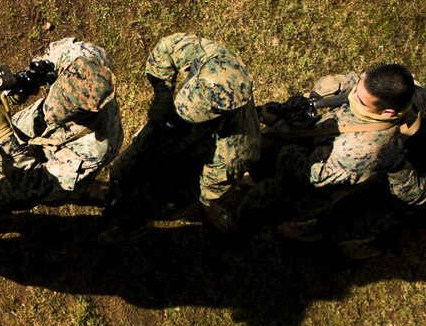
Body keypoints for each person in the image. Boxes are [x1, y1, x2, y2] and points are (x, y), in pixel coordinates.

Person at [0, 37, 123, 240]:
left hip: (66, 166)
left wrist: (3, 133)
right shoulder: (85, 56)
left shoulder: (94, 149)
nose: (51, 113)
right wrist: (23, 81)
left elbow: (34, 186)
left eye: (60, 113)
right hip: (50, 125)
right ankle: (91, 189)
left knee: (3, 194)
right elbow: (50, 58)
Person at [99, 33, 261, 242]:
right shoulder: (215, 60)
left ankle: (133, 225)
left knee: (152, 199)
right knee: (123, 168)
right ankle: (117, 194)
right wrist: (163, 97)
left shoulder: (236, 151)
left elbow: (210, 190)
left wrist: (204, 202)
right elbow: (166, 49)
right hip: (168, 126)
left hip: (199, 156)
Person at [245, 64, 421, 253]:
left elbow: (308, 177)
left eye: (360, 101)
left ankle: (235, 223)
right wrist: (321, 93)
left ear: (388, 113)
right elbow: (355, 81)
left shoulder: (358, 151)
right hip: (312, 141)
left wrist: (286, 128)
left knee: (262, 204)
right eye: (357, 88)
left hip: (303, 185)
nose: (352, 96)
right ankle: (254, 177)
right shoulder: (403, 87)